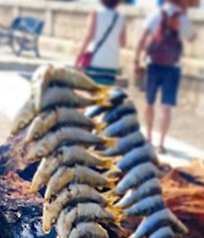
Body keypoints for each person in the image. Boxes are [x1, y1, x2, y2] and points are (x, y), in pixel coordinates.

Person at [134, 0, 196, 154]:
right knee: (166, 106)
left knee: (149, 102)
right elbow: (192, 38)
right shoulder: (182, 18)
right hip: (173, 67)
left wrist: (136, 60)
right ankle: (161, 144)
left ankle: (148, 138)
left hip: (153, 63)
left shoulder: (156, 14)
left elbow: (141, 40)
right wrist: (185, 15)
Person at [75, 0, 126, 86]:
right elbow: (123, 43)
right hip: (112, 62)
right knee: (105, 93)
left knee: (92, 93)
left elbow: (89, 37)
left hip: (96, 60)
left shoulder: (96, 13)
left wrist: (78, 57)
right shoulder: (120, 17)